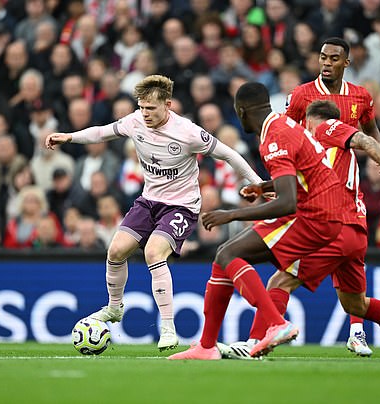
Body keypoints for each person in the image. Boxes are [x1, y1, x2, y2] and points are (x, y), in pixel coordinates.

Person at [45, 74, 262, 351]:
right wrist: (69, 137)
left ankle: (168, 327)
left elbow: (229, 155)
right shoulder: (135, 121)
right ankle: (114, 308)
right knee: (115, 251)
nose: (145, 113)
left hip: (182, 205)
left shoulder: (188, 132)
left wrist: (258, 183)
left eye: (151, 108)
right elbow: (102, 132)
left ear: (167, 105)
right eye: (142, 107)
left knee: (153, 253)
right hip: (150, 200)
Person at [219, 100, 380, 361]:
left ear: (312, 119)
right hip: (356, 231)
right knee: (355, 304)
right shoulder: (321, 151)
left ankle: (252, 344)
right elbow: (303, 181)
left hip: (334, 226)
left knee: (280, 281)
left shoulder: (326, 129)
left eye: (305, 122)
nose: (302, 127)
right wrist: (264, 188)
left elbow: (367, 141)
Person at [168, 82, 345, 360]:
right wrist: (263, 188)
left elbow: (288, 202)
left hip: (316, 215)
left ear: (241, 111)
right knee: (223, 257)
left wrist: (232, 214)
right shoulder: (282, 125)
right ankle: (206, 346)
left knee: (230, 253)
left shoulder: (274, 136)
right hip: (325, 211)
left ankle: (276, 324)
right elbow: (300, 180)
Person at [280, 37, 380, 356]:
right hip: (312, 193)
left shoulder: (360, 96)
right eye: (322, 57)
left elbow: (371, 130)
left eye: (333, 58)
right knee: (289, 268)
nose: (326, 62)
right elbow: (286, 132)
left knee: (352, 261)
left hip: (348, 191)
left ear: (345, 63)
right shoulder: (301, 95)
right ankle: (269, 325)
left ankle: (355, 332)